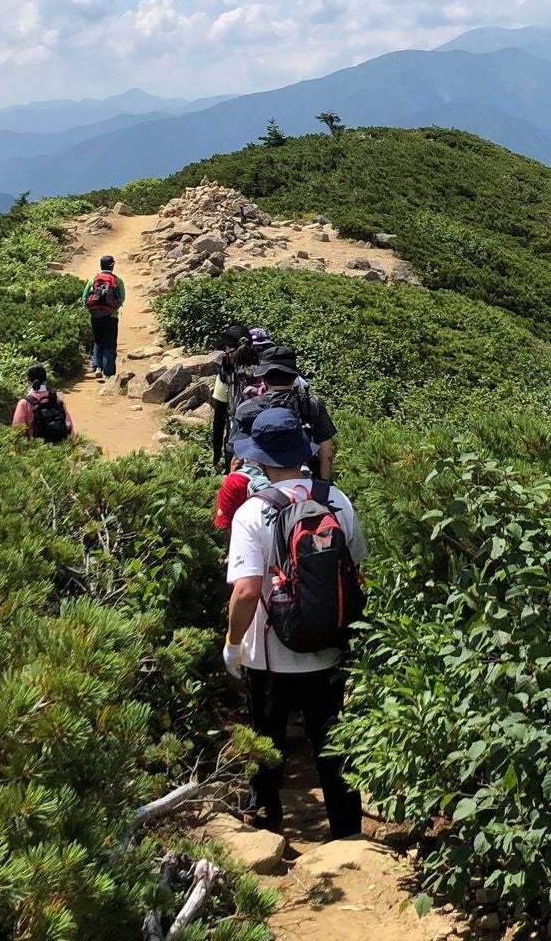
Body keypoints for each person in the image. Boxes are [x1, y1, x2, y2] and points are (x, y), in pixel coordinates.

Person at [221, 407, 366, 838]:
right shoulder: (336, 499)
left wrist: (232, 644)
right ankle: (346, 829)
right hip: (330, 645)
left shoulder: (252, 512)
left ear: (260, 458)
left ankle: (267, 822)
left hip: (270, 653)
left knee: (267, 739)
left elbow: (246, 591)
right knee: (331, 742)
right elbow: (355, 566)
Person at [232, 345, 338, 477]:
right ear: (294, 377)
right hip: (304, 484)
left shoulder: (247, 408)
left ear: (263, 377)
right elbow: (326, 453)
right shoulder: (312, 404)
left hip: (260, 484)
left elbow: (237, 458)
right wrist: (323, 485)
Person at [211, 323, 256, 475]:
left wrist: (216, 457)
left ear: (229, 350)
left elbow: (219, 420)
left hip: (236, 443)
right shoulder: (265, 371)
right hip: (265, 443)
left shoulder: (225, 376)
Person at [83, 256, 125, 379]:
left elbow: (85, 297)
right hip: (111, 317)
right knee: (110, 344)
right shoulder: (117, 280)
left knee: (98, 341)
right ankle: (109, 373)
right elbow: (121, 298)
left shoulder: (93, 279)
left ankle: (97, 367)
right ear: (112, 266)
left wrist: (93, 310)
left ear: (100, 265)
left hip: (95, 316)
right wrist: (112, 309)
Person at [12, 363, 73, 442]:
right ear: (45, 379)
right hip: (60, 448)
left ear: (29, 381)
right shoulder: (57, 398)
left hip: (37, 451)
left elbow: (17, 431)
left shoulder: (24, 403)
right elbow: (69, 425)